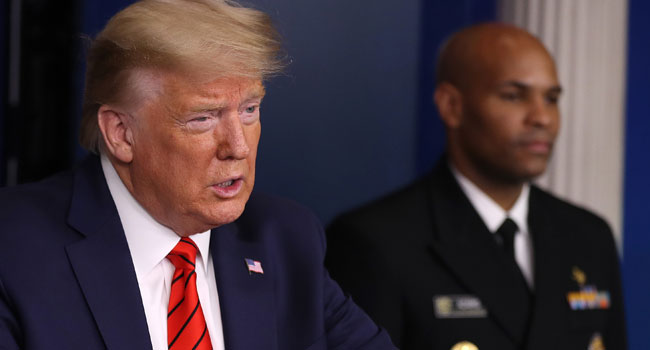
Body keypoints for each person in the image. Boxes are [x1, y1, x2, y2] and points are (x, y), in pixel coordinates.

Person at [0, 1, 396, 349]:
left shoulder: (285, 239)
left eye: (249, 110)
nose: (237, 147)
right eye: (203, 118)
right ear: (121, 134)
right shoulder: (14, 248)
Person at [325, 23, 626, 350]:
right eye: (513, 96)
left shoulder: (589, 235)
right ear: (452, 106)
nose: (542, 117)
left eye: (551, 98)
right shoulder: (374, 241)